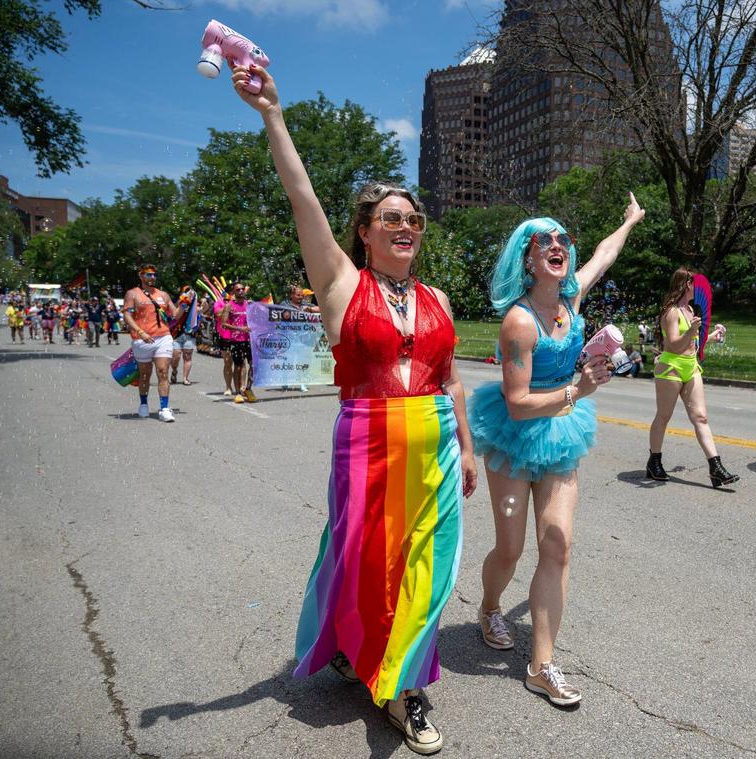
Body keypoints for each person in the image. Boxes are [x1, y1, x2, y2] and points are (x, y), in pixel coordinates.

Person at [234, 63, 477, 755]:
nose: (407, 226)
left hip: (433, 438)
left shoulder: (438, 300)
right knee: (367, 561)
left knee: (427, 567)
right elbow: (302, 196)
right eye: (391, 218)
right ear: (365, 231)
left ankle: (402, 685)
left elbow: (451, 376)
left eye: (415, 218)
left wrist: (466, 444)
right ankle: (356, 648)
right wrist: (273, 114)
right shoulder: (341, 282)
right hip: (367, 438)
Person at [469, 195, 644, 708]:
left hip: (561, 433)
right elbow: (518, 404)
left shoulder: (573, 300)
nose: (557, 247)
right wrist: (577, 391)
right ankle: (489, 606)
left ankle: (541, 665)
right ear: (526, 259)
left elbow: (606, 255)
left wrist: (629, 219)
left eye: (563, 240)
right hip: (513, 433)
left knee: (558, 545)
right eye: (543, 241)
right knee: (510, 548)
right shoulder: (519, 322)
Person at [645, 267, 738, 487]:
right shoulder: (671, 312)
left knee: (701, 417)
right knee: (664, 416)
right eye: (695, 283)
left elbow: (693, 344)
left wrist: (713, 337)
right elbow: (674, 345)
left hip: (691, 366)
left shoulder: (689, 309)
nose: (699, 288)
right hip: (671, 367)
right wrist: (691, 331)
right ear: (687, 284)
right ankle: (654, 462)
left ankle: (716, 468)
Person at [122, 264, 180, 422]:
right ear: (141, 276)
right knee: (145, 375)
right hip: (142, 339)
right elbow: (127, 316)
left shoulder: (163, 295)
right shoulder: (133, 294)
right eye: (148, 274)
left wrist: (186, 303)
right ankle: (143, 404)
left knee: (162, 372)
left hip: (163, 337)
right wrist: (140, 332)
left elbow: (175, 315)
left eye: (154, 274)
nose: (152, 277)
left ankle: (164, 409)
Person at [218, 284, 255, 403]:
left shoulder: (249, 304)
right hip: (236, 340)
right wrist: (240, 329)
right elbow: (223, 324)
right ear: (233, 292)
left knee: (253, 365)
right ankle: (238, 392)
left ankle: (248, 389)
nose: (241, 291)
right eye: (238, 290)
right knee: (238, 366)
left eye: (242, 289)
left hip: (250, 340)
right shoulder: (229, 306)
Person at [171, 286, 197, 385]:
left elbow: (203, 310)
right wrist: (184, 304)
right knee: (175, 357)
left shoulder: (194, 306)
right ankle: (174, 370)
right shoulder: (179, 303)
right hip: (177, 334)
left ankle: (185, 378)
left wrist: (206, 302)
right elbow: (175, 316)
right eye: (187, 292)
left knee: (188, 357)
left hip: (189, 334)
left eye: (191, 293)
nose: (190, 294)